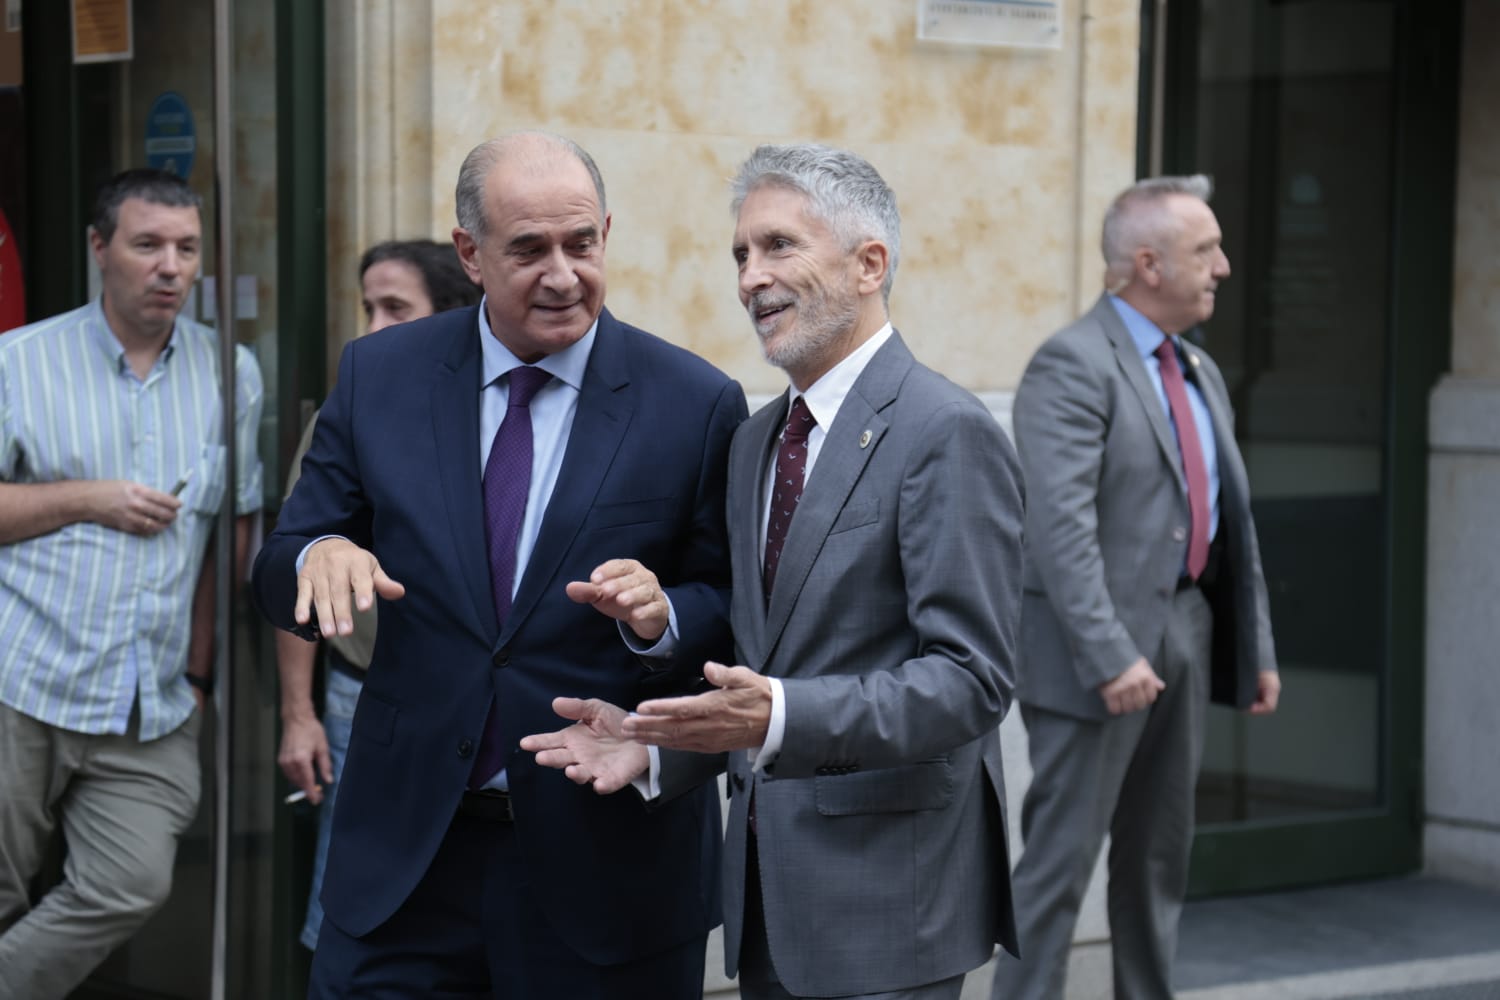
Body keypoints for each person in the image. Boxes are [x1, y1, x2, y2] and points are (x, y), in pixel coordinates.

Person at [523, 143, 1026, 1000]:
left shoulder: (946, 430)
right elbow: (763, 662)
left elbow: (971, 682)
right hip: (766, 903)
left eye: (779, 246)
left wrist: (780, 714)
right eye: (741, 255)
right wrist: (656, 747)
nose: (752, 278)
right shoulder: (757, 439)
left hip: (890, 913)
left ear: (871, 264)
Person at [250, 131, 746, 998]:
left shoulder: (694, 403)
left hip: (605, 877)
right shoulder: (381, 374)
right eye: (529, 250)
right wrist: (319, 555)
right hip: (405, 868)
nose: (562, 274)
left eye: (581, 244)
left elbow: (735, 605)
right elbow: (285, 556)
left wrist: (662, 615)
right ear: (469, 254)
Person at [988, 175, 1281, 1000]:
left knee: (1159, 857)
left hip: (1184, 636)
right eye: (1206, 250)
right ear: (1148, 264)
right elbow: (1058, 529)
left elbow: (1230, 524)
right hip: (1096, 661)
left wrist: (1250, 646)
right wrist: (1112, 655)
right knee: (1058, 868)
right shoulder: (1071, 365)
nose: (1223, 265)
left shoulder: (1196, 367)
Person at [0, 167, 263, 999]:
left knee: (131, 882)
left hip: (152, 701)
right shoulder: (19, 363)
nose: (170, 267)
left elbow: (238, 523)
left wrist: (199, 666)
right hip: (22, 681)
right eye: (148, 244)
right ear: (99, 248)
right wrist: (91, 498)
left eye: (186, 248)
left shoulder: (234, 373)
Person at [275, 239, 480, 952]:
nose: (372, 325)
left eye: (395, 307)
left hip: (483, 707)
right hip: (358, 694)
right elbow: (294, 567)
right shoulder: (353, 405)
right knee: (349, 918)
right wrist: (299, 715)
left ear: (452, 314)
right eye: (368, 307)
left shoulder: (502, 412)